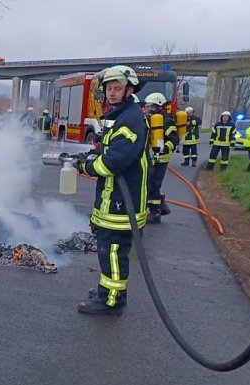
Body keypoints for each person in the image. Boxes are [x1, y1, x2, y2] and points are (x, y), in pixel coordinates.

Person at [72, 65, 148, 316]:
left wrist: (87, 165)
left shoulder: (131, 119)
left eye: (117, 88)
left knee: (113, 253)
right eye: (109, 89)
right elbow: (110, 152)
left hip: (121, 204)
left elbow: (114, 162)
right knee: (108, 252)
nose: (112, 93)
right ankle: (108, 293)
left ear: (129, 90)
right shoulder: (119, 117)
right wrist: (92, 155)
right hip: (114, 199)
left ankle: (111, 302)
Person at [143, 93, 178, 224]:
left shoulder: (167, 120)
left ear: (159, 106)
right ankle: (157, 207)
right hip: (151, 157)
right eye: (147, 106)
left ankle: (155, 212)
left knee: (153, 184)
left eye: (151, 106)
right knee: (149, 184)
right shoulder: (150, 119)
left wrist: (165, 148)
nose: (148, 109)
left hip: (161, 158)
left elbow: (174, 139)